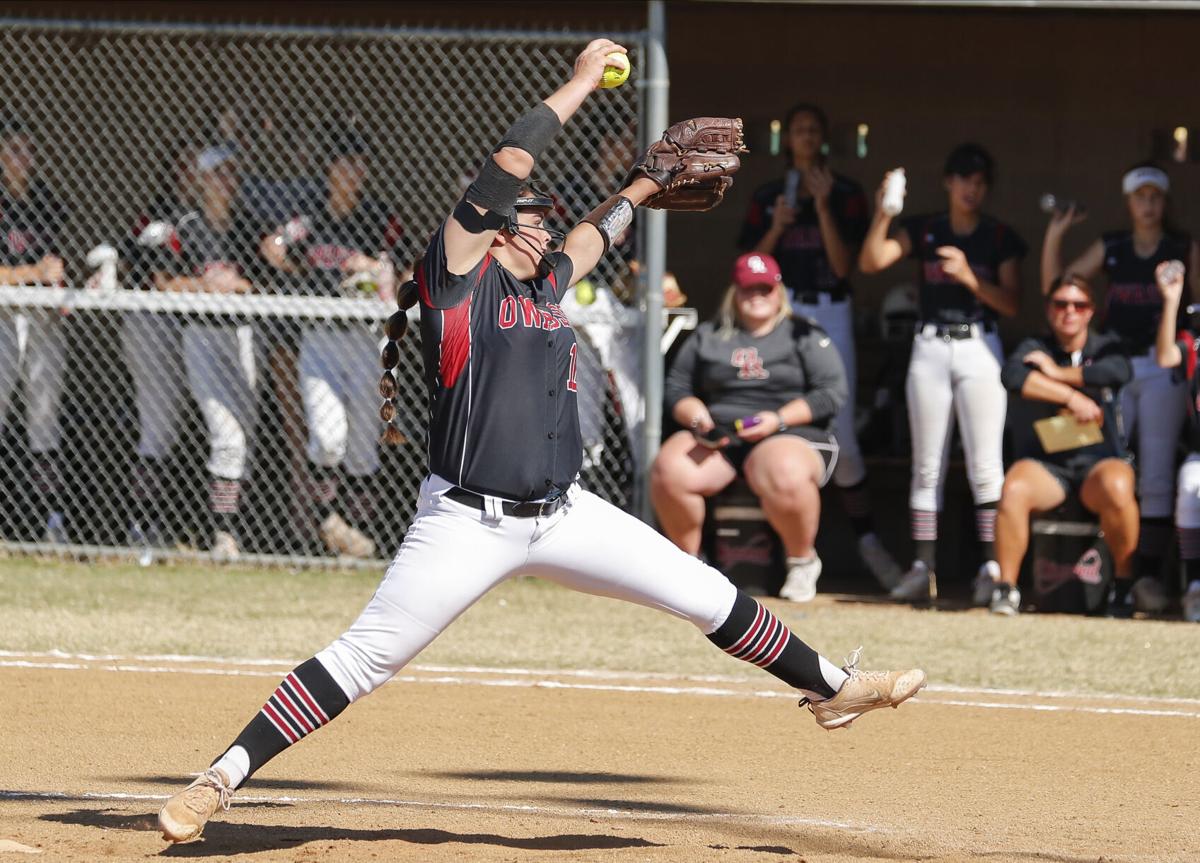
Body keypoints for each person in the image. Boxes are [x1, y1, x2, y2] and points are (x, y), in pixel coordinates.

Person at [156, 40, 926, 844]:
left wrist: (649, 180)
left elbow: (600, 232)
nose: (542, 230)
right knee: (361, 660)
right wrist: (582, 84)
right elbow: (508, 161)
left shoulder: (547, 278)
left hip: (562, 514)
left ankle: (834, 689)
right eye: (527, 219)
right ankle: (220, 776)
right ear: (489, 230)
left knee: (704, 594)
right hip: (464, 522)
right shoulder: (454, 282)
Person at [737, 102, 901, 590]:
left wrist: (823, 205)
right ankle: (782, 552)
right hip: (779, 310)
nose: (806, 138)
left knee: (841, 428)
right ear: (787, 139)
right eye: (798, 131)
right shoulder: (769, 195)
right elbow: (748, 269)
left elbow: (846, 265)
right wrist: (778, 225)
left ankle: (867, 543)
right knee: (768, 413)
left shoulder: (845, 191)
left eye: (814, 131)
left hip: (829, 308)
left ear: (824, 139)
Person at [859, 143, 1026, 603]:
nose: (971, 189)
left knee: (985, 466)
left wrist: (971, 277)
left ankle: (992, 567)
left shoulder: (997, 236)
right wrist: (883, 212)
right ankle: (923, 567)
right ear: (949, 183)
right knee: (926, 464)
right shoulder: (927, 228)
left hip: (978, 341)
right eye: (964, 180)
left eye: (979, 182)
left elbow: (1012, 304)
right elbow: (871, 261)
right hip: (930, 343)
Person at [1042, 163, 1200, 613]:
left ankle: (1145, 576)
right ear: (1129, 202)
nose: (1148, 204)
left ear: (1164, 202)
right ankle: (1116, 570)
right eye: (1140, 196)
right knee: (1111, 463)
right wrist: (1054, 235)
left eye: (1155, 196)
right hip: (1113, 365)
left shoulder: (1181, 246)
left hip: (1163, 362)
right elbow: (1061, 285)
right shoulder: (1113, 245)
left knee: (1155, 471)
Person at [651, 251, 847, 602]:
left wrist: (779, 419)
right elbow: (677, 388)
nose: (756, 296)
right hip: (723, 433)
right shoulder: (709, 335)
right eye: (747, 289)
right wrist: (698, 418)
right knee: (670, 467)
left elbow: (832, 392)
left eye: (764, 289)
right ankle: (690, 568)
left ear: (778, 292)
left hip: (789, 432)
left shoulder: (803, 333)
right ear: (734, 292)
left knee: (778, 468)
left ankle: (801, 561)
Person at [261, 125, 403, 558]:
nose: (353, 173)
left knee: (362, 450)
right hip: (320, 337)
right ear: (330, 170)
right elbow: (272, 247)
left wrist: (376, 272)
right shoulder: (311, 218)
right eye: (345, 164)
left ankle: (353, 542)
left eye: (360, 165)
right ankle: (328, 520)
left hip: (365, 340)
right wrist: (298, 262)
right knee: (326, 439)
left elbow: (404, 271)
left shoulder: (379, 217)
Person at [989, 276, 1136, 616]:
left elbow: (1116, 372)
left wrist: (1053, 373)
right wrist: (1071, 397)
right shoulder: (1033, 346)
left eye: (1079, 305)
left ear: (1091, 312)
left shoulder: (1106, 346)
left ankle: (1124, 588)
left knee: (1119, 484)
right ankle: (1005, 590)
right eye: (1061, 304)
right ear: (1048, 309)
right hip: (1048, 465)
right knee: (1013, 488)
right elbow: (1013, 377)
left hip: (1097, 464)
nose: (1069, 311)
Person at [151, 144, 261, 559]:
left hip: (243, 334)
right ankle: (223, 534)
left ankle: (233, 525)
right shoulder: (186, 227)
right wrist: (204, 285)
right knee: (225, 431)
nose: (225, 182)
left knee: (244, 432)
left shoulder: (247, 227)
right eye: (217, 175)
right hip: (200, 334)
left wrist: (238, 285)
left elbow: (263, 282)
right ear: (200, 181)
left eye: (231, 174)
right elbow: (162, 281)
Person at [119, 144, 197, 552]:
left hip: (191, 328)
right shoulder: (159, 218)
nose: (191, 176)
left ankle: (159, 521)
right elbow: (139, 262)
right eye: (184, 168)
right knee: (158, 426)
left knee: (176, 425)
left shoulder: (208, 221)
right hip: (151, 322)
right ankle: (141, 525)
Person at [0, 114, 69, 543]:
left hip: (41, 317)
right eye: (13, 151)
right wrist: (32, 272)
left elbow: (55, 264)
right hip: (4, 316)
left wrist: (54, 273)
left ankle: (51, 522)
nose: (22, 159)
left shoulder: (44, 201)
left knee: (44, 417)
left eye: (27, 150)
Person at [1152, 259, 1200, 622]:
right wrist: (1172, 300)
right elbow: (1166, 355)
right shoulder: (1194, 339)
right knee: (1189, 485)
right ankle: (1195, 585)